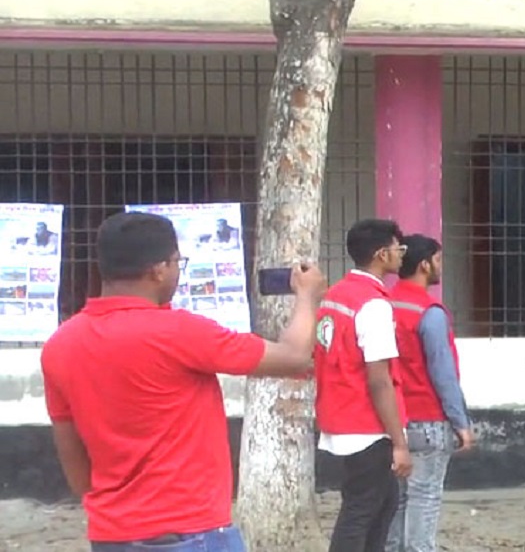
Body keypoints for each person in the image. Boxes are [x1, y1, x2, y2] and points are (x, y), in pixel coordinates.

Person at [40, 211, 325, 551]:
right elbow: (294, 357)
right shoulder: (180, 332)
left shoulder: (60, 345)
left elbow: (75, 466)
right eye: (178, 262)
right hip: (190, 532)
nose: (177, 271)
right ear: (158, 269)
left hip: (111, 535)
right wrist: (307, 297)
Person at [315, 218, 411, 552]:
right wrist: (399, 443)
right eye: (398, 248)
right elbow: (379, 379)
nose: (402, 254)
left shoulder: (336, 294)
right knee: (361, 510)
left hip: (340, 414)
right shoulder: (373, 304)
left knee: (384, 502)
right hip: (367, 424)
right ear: (382, 254)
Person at [386, 234, 471, 552]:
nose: (440, 266)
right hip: (428, 419)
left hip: (392, 419)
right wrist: (460, 422)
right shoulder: (430, 312)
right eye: (437, 260)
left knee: (397, 500)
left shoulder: (384, 304)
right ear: (424, 265)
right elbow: (442, 373)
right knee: (424, 497)